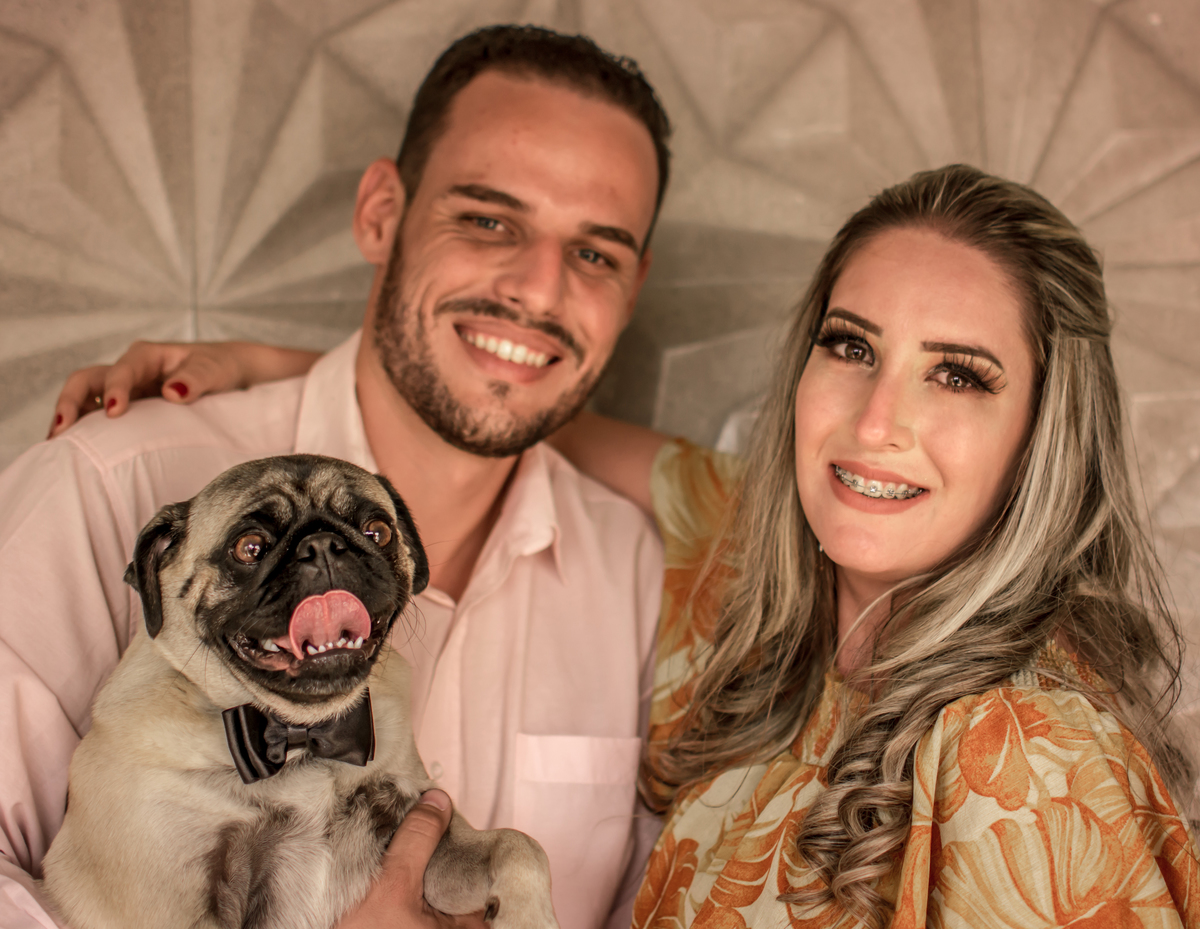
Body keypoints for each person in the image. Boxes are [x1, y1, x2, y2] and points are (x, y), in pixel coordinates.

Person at [79, 164, 1200, 925]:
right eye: (852, 346)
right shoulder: (747, 560)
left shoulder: (1033, 761)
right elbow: (529, 406)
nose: (876, 423)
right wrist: (276, 369)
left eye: (959, 374)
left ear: (1043, 432)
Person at [0, 25, 673, 929]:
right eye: (488, 220)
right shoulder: (101, 483)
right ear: (381, 213)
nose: (538, 289)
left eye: (595, 253)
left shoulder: (641, 568)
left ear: (633, 288)